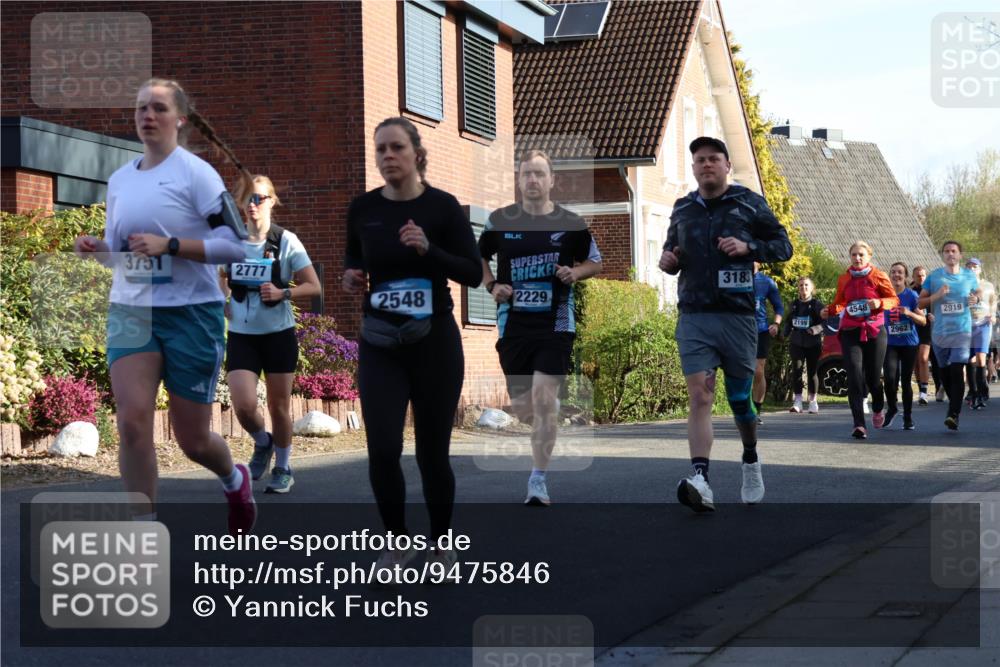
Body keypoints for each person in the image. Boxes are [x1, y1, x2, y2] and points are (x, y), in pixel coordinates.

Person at [74, 78, 255, 533]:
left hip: (192, 312)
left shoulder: (197, 175)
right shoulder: (119, 180)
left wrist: (171, 245)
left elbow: (236, 246)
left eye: (157, 108)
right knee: (133, 424)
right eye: (140, 109)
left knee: (193, 440)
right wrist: (97, 249)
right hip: (132, 310)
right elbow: (119, 252)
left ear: (180, 120)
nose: (147, 116)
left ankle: (235, 479)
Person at [342, 117, 482, 570]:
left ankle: (440, 543)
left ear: (417, 153)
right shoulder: (362, 209)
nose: (387, 156)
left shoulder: (442, 208)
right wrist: (351, 275)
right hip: (380, 342)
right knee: (382, 447)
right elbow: (353, 259)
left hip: (434, 343)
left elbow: (473, 272)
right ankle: (397, 542)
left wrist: (428, 250)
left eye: (396, 147)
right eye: (380, 149)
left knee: (430, 451)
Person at [659, 136, 793, 513]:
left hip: (738, 317)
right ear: (694, 167)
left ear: (727, 165)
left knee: (739, 403)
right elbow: (672, 251)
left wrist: (749, 248)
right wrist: (669, 261)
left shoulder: (748, 203)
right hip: (695, 315)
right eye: (700, 160)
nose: (706, 165)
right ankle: (701, 479)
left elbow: (783, 247)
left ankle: (750, 456)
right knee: (701, 395)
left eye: (713, 159)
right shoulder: (683, 208)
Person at [478, 150, 602, 507]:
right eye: (526, 174)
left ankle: (538, 480)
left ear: (551, 181)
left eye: (539, 174)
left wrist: (574, 273)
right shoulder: (499, 221)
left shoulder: (571, 223)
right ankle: (542, 407)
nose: (532, 180)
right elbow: (479, 257)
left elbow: (595, 261)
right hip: (513, 325)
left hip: (556, 324)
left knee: (544, 401)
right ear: (519, 181)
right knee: (523, 407)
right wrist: (491, 286)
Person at [219, 176, 321, 494]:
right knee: (243, 404)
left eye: (259, 199)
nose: (252, 205)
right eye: (247, 199)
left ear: (272, 202)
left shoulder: (285, 241)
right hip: (242, 334)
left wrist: (283, 293)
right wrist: (223, 299)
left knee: (279, 406)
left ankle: (283, 466)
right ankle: (263, 442)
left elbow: (313, 285)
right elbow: (221, 275)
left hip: (278, 334)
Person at [821, 241, 898, 439]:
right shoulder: (844, 278)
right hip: (850, 330)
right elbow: (840, 303)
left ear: (869, 257)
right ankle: (858, 424)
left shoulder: (879, 276)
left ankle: (879, 407)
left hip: (874, 330)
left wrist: (879, 302)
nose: (857, 258)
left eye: (861, 255)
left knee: (873, 378)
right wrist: (829, 310)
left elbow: (893, 300)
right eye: (854, 254)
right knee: (854, 375)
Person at [918, 241, 981, 430]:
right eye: (947, 251)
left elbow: (977, 290)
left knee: (956, 369)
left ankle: (954, 414)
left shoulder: (969, 275)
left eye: (954, 251)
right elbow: (920, 303)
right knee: (944, 373)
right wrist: (936, 296)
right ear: (943, 255)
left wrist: (976, 298)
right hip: (940, 333)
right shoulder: (934, 276)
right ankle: (951, 400)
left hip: (962, 330)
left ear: (960, 255)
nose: (950, 254)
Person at [882, 262, 926, 430]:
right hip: (890, 343)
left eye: (900, 272)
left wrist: (909, 313)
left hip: (909, 343)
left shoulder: (912, 296)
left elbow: (922, 321)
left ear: (905, 276)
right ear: (889, 276)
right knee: (890, 379)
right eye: (893, 272)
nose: (896, 275)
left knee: (906, 381)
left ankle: (908, 417)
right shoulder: (885, 296)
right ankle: (892, 408)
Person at [781, 276, 824, 414]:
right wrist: (784, 334)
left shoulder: (818, 305)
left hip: (813, 343)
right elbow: (788, 321)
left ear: (812, 288)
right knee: (797, 371)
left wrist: (815, 329)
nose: (803, 288)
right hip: (797, 342)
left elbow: (826, 323)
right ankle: (798, 401)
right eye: (800, 285)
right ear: (798, 289)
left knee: (812, 372)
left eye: (806, 285)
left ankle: (812, 401)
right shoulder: (794, 304)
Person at [752, 262, 783, 422]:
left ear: (758, 262)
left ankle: (756, 409)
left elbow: (779, 307)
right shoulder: (730, 279)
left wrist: (776, 324)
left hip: (761, 330)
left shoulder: (766, 282)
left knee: (758, 371)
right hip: (738, 332)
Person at [964, 257, 995, 409]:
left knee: (981, 359)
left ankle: (982, 392)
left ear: (980, 269)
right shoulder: (961, 286)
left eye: (974, 266)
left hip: (983, 325)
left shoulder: (988, 285)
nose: (971, 269)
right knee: (969, 360)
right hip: (966, 326)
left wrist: (994, 315)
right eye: (968, 266)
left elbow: (993, 301)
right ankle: (973, 391)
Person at [910, 266, 938, 405]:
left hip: (926, 328)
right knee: (916, 362)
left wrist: (934, 315)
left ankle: (924, 392)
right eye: (918, 276)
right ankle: (921, 389)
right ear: (913, 277)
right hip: (912, 328)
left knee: (923, 358)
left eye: (923, 275)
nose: (921, 278)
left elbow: (938, 306)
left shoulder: (930, 291)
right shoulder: (909, 291)